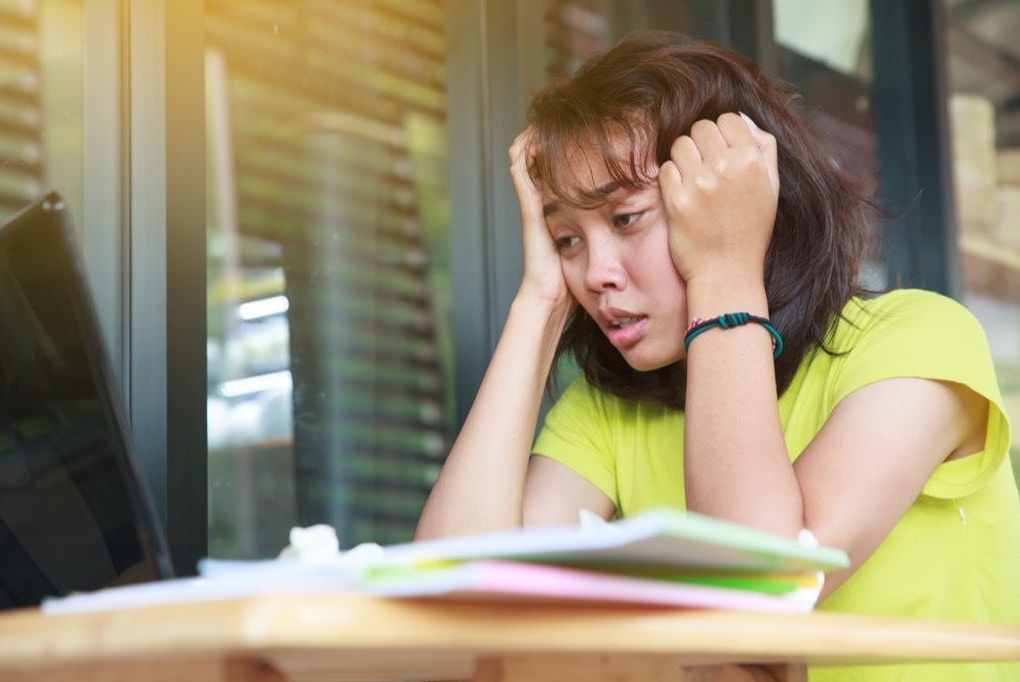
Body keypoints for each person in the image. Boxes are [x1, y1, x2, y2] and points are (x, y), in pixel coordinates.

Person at [415, 30, 1020, 681]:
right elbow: (451, 612)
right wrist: (538, 303)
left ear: (735, 197)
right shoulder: (609, 409)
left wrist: (727, 267)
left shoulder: (920, 340)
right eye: (567, 239)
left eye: (625, 220)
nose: (595, 274)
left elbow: (763, 588)